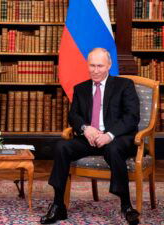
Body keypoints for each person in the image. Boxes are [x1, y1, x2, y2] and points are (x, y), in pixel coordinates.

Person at [40, 48, 140, 225]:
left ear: (109, 65)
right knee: (62, 146)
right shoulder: (81, 88)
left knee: (114, 149)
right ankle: (58, 205)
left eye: (100, 66)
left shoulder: (124, 85)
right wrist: (85, 128)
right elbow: (74, 116)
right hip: (89, 139)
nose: (95, 70)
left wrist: (109, 135)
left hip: (117, 139)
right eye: (92, 65)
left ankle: (126, 206)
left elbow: (131, 117)